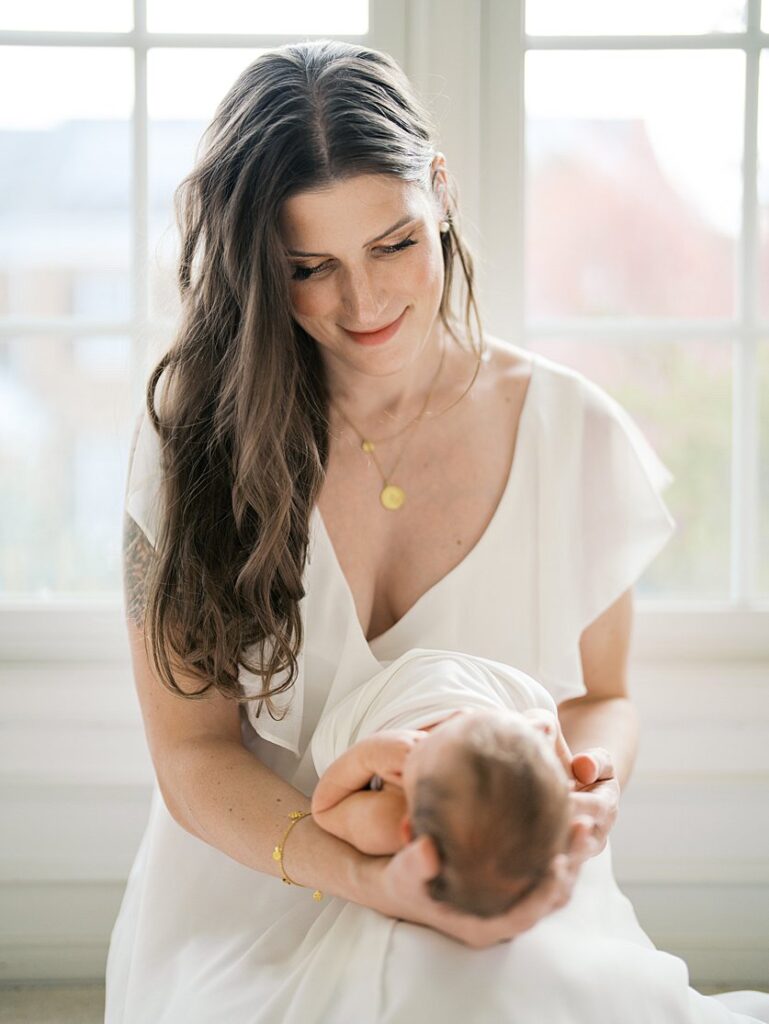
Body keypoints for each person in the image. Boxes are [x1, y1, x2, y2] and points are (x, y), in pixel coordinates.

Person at [105, 37, 769, 1024]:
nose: (362, 303)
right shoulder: (188, 448)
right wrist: (366, 877)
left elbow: (604, 697)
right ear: (256, 269)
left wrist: (582, 795)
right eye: (309, 267)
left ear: (442, 194)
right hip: (263, 881)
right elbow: (192, 757)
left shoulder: (570, 432)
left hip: (487, 869)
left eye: (392, 245)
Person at [308, 649, 574, 917]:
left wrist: (366, 757)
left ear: (408, 830)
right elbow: (547, 721)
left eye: (439, 733)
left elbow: (324, 808)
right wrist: (561, 768)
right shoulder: (514, 745)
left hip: (386, 699)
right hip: (471, 679)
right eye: (467, 720)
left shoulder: (385, 820)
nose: (459, 712)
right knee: (538, 706)